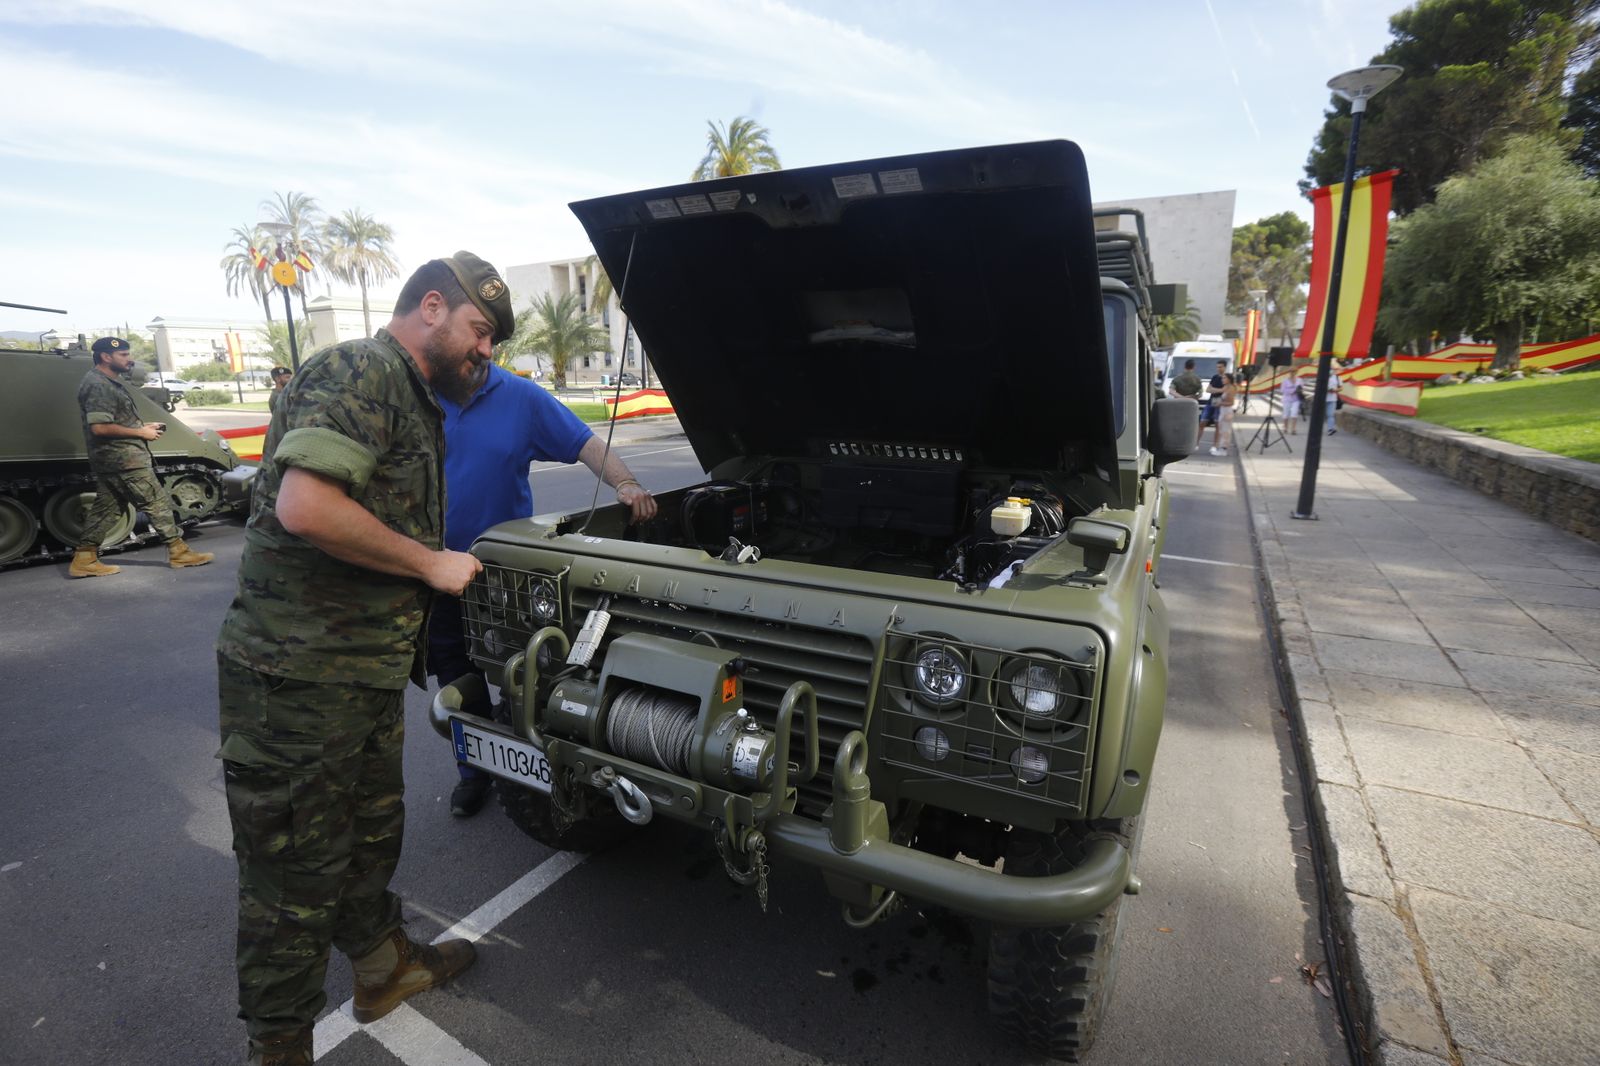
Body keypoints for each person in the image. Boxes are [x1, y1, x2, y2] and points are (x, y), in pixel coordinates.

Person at [215, 252, 512, 1066]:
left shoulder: (410, 396)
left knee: (367, 834)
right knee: (291, 877)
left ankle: (383, 971)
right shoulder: (361, 368)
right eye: (480, 331)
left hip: (359, 676)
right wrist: (430, 564)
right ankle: (279, 1050)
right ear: (430, 307)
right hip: (297, 681)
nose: (486, 351)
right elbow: (306, 505)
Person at [428, 360, 659, 816]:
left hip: (503, 578)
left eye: (488, 337)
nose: (480, 348)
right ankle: (473, 772)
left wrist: (626, 483)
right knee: (456, 671)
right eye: (473, 334)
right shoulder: (417, 396)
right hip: (433, 571)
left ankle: (531, 767)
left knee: (521, 673)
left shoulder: (519, 396)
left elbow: (586, 444)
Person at [69, 336, 215, 577]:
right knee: (157, 503)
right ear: (106, 357)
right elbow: (99, 427)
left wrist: (141, 425)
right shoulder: (99, 384)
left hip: (113, 459)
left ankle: (84, 558)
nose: (130, 359)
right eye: (124, 355)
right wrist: (140, 432)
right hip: (124, 460)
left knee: (106, 510)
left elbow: (110, 421)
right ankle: (179, 552)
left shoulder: (103, 381)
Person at [1208, 372, 1238, 455]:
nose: (1222, 380)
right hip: (1223, 410)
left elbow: (1231, 402)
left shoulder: (1231, 388)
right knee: (1222, 430)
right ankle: (1221, 448)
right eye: (1222, 378)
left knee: (1225, 431)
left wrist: (1220, 403)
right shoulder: (1226, 387)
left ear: (1229, 379)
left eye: (1224, 378)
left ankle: (1223, 449)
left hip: (1227, 411)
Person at [1280, 369, 1304, 435]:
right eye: (1291, 372)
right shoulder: (1285, 381)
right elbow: (1282, 390)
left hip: (1296, 399)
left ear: (1296, 372)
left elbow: (1302, 388)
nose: (1292, 373)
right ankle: (1285, 427)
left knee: (1294, 413)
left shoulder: (1299, 380)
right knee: (1286, 414)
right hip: (1287, 399)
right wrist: (1292, 391)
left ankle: (1293, 429)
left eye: (1294, 372)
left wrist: (1299, 391)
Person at [1326, 366, 1343, 435]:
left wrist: (1335, 390)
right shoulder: (1322, 376)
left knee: (1330, 414)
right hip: (1322, 399)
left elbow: (1341, 387)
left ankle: (1330, 429)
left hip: (1332, 399)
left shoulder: (1337, 378)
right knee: (1321, 415)